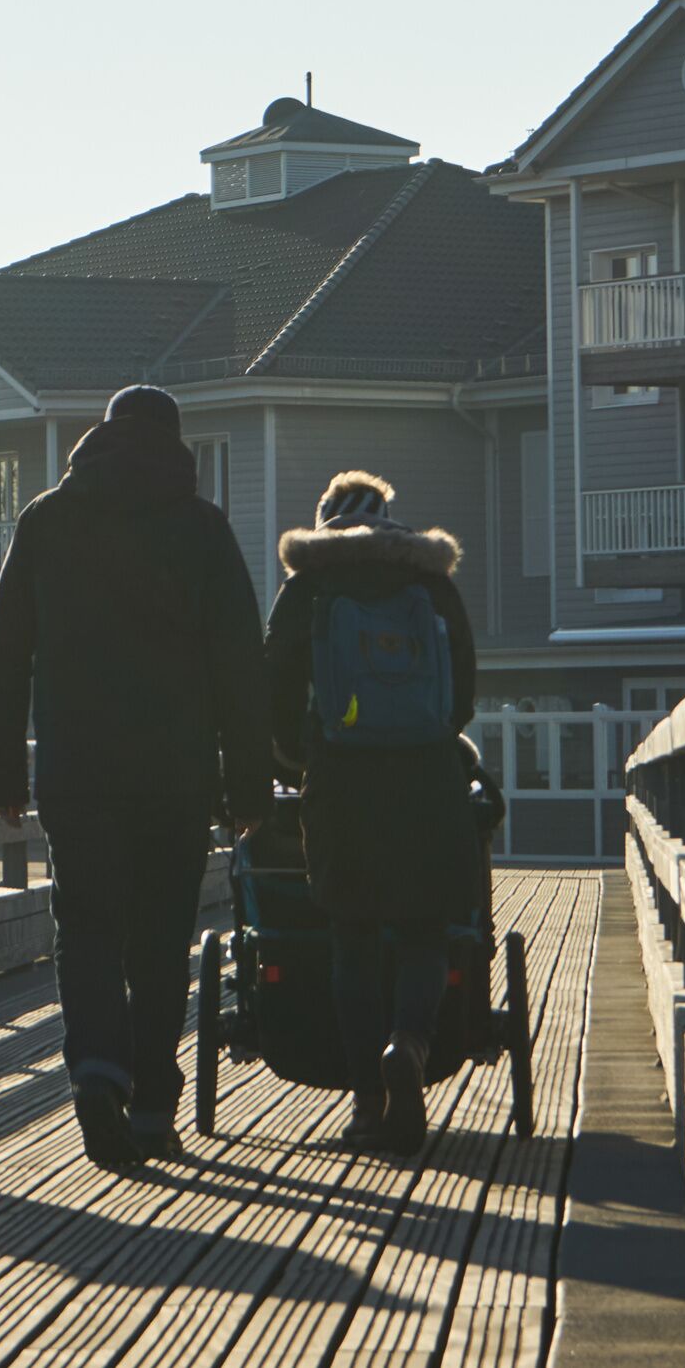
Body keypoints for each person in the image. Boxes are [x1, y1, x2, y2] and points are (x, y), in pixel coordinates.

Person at [0, 385, 272, 1169]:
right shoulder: (203, 531)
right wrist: (247, 786)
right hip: (173, 775)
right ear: (175, 445)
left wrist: (3, 768)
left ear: (99, 439)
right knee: (158, 939)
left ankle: (96, 1076)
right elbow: (242, 667)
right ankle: (149, 1105)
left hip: (76, 771)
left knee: (89, 927)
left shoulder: (47, 520)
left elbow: (6, 652)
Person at [259, 470, 478, 1157]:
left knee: (350, 936)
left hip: (342, 782)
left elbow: (274, 684)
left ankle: (366, 1103)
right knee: (422, 928)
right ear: (389, 517)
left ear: (326, 520)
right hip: (426, 779)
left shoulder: (309, 585)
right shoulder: (433, 584)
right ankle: (409, 1043)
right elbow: (463, 691)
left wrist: (297, 760)